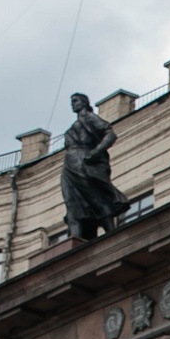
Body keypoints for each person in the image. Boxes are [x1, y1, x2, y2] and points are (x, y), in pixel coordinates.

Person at [59, 93, 126, 244]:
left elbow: (110, 134)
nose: (73, 104)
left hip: (84, 163)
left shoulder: (89, 117)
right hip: (69, 165)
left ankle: (112, 234)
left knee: (96, 197)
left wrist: (96, 152)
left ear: (84, 102)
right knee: (71, 202)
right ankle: (74, 241)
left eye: (75, 101)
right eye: (72, 101)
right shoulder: (77, 123)